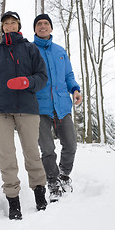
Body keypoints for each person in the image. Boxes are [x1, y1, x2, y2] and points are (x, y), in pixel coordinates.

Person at [0, 11, 48, 220]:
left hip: (27, 109)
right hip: (1, 110)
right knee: (6, 156)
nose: (9, 26)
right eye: (6, 23)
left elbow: (42, 77)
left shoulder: (30, 49)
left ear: (19, 26)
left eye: (13, 23)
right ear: (2, 28)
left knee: (32, 153)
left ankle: (39, 192)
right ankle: (13, 200)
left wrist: (28, 82)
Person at [33, 14, 82, 203]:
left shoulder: (60, 51)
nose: (43, 26)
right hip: (40, 107)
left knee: (70, 145)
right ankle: (52, 181)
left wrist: (75, 89)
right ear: (35, 29)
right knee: (47, 149)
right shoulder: (30, 50)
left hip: (62, 106)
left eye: (46, 23)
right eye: (39, 24)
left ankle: (63, 175)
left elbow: (68, 74)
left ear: (51, 28)